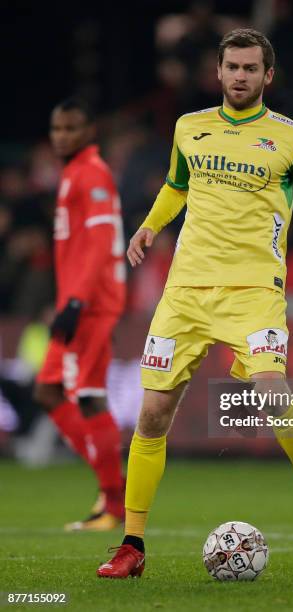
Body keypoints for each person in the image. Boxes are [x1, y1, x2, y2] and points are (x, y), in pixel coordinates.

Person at [97, 29, 293, 578]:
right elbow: (176, 186)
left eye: (250, 68)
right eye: (231, 67)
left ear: (268, 76)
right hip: (186, 290)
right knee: (151, 415)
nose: (239, 76)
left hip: (255, 290)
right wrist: (148, 226)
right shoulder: (188, 128)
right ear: (217, 73)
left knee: (270, 391)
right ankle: (132, 544)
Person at [34, 98, 126, 531]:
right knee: (49, 392)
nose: (61, 136)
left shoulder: (92, 173)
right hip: (74, 300)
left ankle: (114, 503)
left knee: (89, 397)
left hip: (88, 303)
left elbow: (99, 240)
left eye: (71, 128)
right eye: (56, 128)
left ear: (90, 130)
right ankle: (111, 488)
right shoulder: (73, 172)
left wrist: (75, 301)